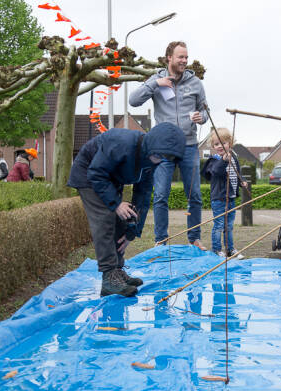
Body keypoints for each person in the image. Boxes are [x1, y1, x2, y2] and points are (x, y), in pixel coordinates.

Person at [67, 122, 186, 297]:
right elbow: (96, 173)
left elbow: (143, 194)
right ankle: (109, 276)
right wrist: (116, 204)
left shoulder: (152, 160)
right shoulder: (121, 143)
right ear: (152, 145)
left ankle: (117, 270)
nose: (161, 160)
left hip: (110, 179)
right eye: (160, 155)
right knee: (105, 218)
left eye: (167, 158)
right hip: (89, 175)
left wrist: (132, 231)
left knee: (124, 217)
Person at [129, 40, 208, 250]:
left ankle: (194, 238)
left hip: (189, 145)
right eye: (180, 57)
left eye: (186, 57)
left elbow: (205, 110)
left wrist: (202, 117)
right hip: (163, 148)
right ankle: (161, 240)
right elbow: (133, 101)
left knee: (195, 195)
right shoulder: (157, 79)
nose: (184, 60)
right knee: (161, 195)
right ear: (169, 58)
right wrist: (156, 84)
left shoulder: (195, 83)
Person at [201, 128, 247, 258]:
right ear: (213, 146)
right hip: (219, 199)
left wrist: (242, 181)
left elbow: (237, 173)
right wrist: (223, 161)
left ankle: (230, 249)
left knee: (229, 226)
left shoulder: (234, 158)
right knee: (219, 226)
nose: (220, 146)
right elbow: (215, 172)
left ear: (230, 143)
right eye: (216, 144)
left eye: (223, 143)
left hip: (231, 199)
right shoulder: (214, 160)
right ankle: (216, 250)